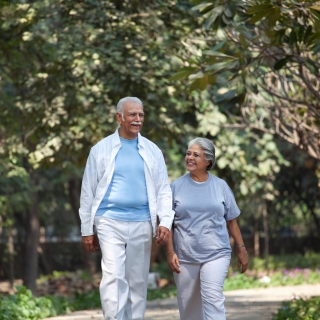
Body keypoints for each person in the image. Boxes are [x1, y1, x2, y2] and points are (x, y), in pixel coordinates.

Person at [79, 97, 174, 320]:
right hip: (108, 220)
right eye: (132, 115)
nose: (137, 119)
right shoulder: (100, 150)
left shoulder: (152, 150)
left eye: (140, 115)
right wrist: (86, 230)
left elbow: (163, 190)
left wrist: (164, 221)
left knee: (137, 279)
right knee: (113, 276)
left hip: (142, 221)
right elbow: (88, 191)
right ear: (119, 117)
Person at [166, 137, 248, 320]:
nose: (190, 157)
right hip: (185, 256)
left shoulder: (220, 186)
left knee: (213, 298)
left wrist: (241, 249)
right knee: (189, 309)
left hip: (216, 253)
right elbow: (168, 224)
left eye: (196, 155)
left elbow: (232, 221)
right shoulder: (176, 187)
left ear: (208, 161)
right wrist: (170, 251)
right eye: (188, 153)